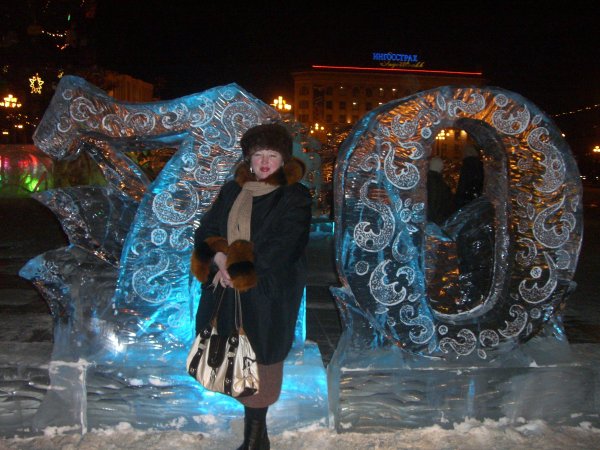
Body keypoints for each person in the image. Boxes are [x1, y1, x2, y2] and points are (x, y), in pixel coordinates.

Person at [191, 122, 312, 450]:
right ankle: (257, 439)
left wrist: (239, 269)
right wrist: (219, 259)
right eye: (258, 155)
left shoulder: (294, 195)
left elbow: (285, 245)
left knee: (263, 361)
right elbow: (208, 229)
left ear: (284, 159)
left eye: (272, 155)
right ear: (248, 159)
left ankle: (255, 440)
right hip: (229, 290)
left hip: (270, 293)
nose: (264, 162)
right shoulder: (234, 191)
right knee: (237, 360)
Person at [454, 143, 484, 210]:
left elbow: (463, 182)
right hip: (476, 196)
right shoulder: (480, 164)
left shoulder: (467, 164)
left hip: (466, 197)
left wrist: (457, 198)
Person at [426, 156, 454, 225]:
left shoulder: (431, 179)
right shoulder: (436, 181)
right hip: (437, 218)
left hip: (435, 217)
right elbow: (434, 201)